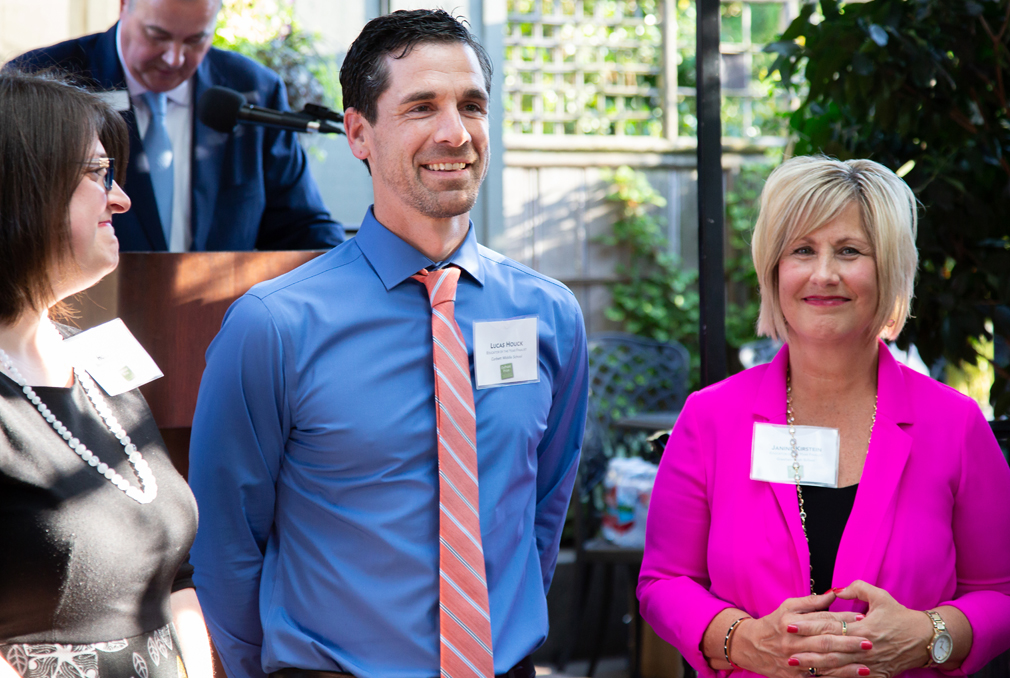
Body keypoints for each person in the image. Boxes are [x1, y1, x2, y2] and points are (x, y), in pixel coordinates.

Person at [187, 9, 588, 678]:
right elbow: (226, 541)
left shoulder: (549, 314)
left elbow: (543, 503)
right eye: (421, 107)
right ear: (357, 133)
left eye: (471, 105)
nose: (454, 133)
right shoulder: (273, 326)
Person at [638, 156, 1010, 678]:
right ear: (774, 269)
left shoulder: (955, 424)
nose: (823, 274)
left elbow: (1002, 592)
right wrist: (742, 640)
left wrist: (930, 636)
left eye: (849, 251)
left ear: (888, 269)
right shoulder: (710, 419)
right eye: (802, 250)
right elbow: (664, 583)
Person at [0, 70, 213, 678]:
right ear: (22, 190)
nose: (120, 199)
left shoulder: (97, 358)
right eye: (97, 175)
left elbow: (178, 577)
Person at [7, 0, 345, 252]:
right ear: (124, 6)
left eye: (195, 40)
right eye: (157, 36)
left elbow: (303, 228)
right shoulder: (43, 79)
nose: (174, 58)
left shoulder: (253, 89)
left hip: (217, 324)